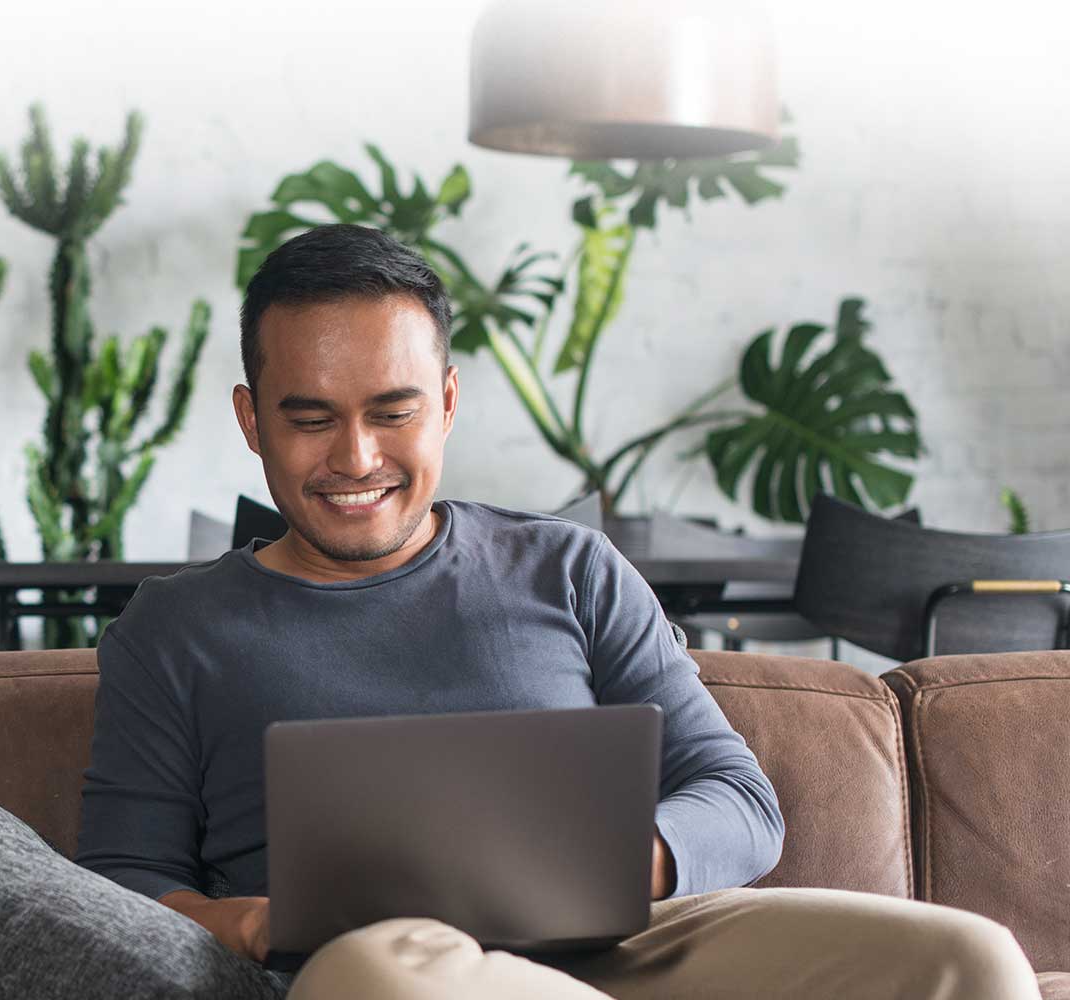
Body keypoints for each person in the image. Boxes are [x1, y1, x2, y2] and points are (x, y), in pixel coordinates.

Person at [71, 224, 1040, 999]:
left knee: (970, 960)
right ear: (251, 420)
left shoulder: (567, 566)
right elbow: (116, 885)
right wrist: (253, 920)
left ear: (446, 401)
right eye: (310, 416)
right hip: (384, 969)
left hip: (626, 941)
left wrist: (625, 858)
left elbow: (737, 800)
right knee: (382, 978)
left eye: (392, 410)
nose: (355, 457)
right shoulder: (173, 628)